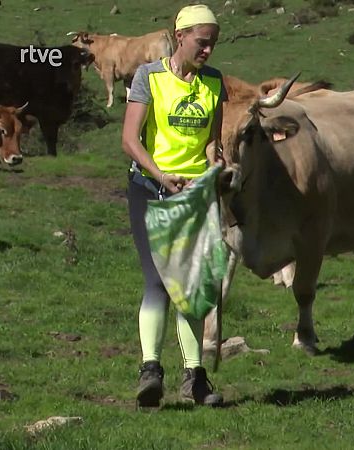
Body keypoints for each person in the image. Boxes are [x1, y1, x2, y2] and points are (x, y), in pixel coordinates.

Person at [121, 4, 227, 408]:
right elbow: (130, 139)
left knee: (193, 288)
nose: (208, 52)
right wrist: (161, 175)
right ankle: (150, 371)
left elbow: (213, 141)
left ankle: (195, 378)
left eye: (213, 44)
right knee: (158, 282)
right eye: (202, 43)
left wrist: (215, 166)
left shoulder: (214, 83)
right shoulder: (149, 77)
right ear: (179, 36)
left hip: (194, 194)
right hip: (151, 188)